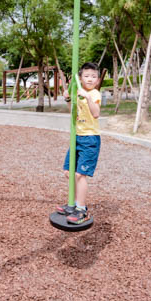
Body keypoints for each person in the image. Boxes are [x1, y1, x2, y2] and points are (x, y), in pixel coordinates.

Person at [56, 62, 102, 225]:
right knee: (68, 172)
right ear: (81, 78)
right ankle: (74, 204)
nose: (90, 79)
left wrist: (87, 97)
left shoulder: (95, 94)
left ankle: (82, 210)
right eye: (87, 76)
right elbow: (73, 110)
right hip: (77, 137)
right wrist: (68, 98)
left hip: (90, 138)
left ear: (97, 80)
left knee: (80, 175)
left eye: (93, 76)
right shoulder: (78, 92)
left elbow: (96, 114)